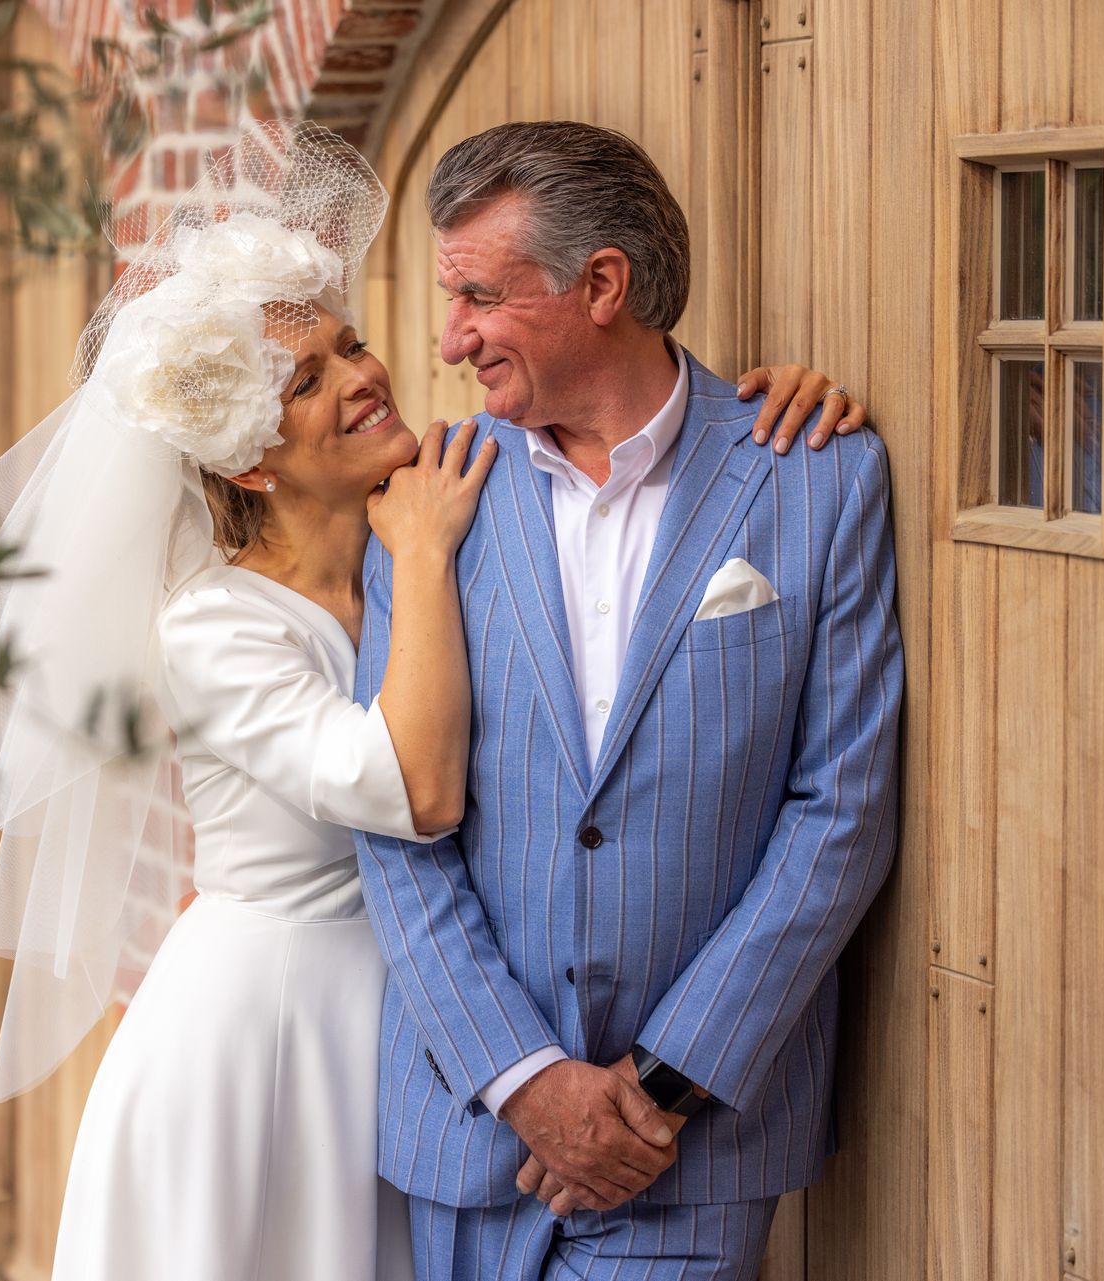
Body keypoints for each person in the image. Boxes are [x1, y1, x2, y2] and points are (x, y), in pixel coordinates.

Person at [0, 121, 866, 1281]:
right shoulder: (272, 602)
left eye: (351, 345)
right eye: (308, 380)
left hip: (417, 1048)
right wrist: (419, 559)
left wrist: (770, 413)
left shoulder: (431, 507)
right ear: (250, 457)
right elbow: (416, 800)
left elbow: (833, 798)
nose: (378, 370)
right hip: (286, 1038)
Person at [352, 120, 904, 1281]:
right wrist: (523, 1080)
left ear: (602, 285)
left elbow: (840, 812)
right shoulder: (426, 501)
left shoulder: (816, 477)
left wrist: (656, 1089)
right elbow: (393, 819)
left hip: (692, 1150)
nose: (450, 339)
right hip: (472, 1132)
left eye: (479, 295)